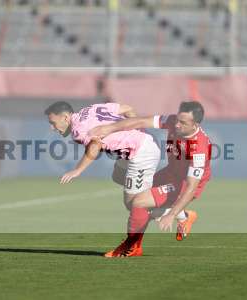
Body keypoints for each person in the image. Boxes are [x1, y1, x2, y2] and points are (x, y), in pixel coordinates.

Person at [88, 101, 212, 248]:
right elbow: (141, 121)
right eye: (178, 120)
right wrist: (109, 128)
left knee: (139, 203)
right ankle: (184, 216)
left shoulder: (199, 149)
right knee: (131, 200)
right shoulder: (173, 121)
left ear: (195, 124)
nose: (177, 124)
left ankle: (132, 246)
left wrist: (171, 215)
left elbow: (192, 186)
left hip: (184, 184)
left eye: (183, 122)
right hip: (170, 173)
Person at [45, 101, 161, 257]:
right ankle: (139, 240)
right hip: (133, 148)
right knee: (118, 177)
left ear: (66, 117)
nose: (52, 128)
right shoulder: (91, 109)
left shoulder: (78, 130)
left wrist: (77, 170)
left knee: (133, 204)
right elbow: (128, 108)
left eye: (53, 123)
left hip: (141, 152)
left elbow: (95, 145)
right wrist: (141, 131)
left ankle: (135, 244)